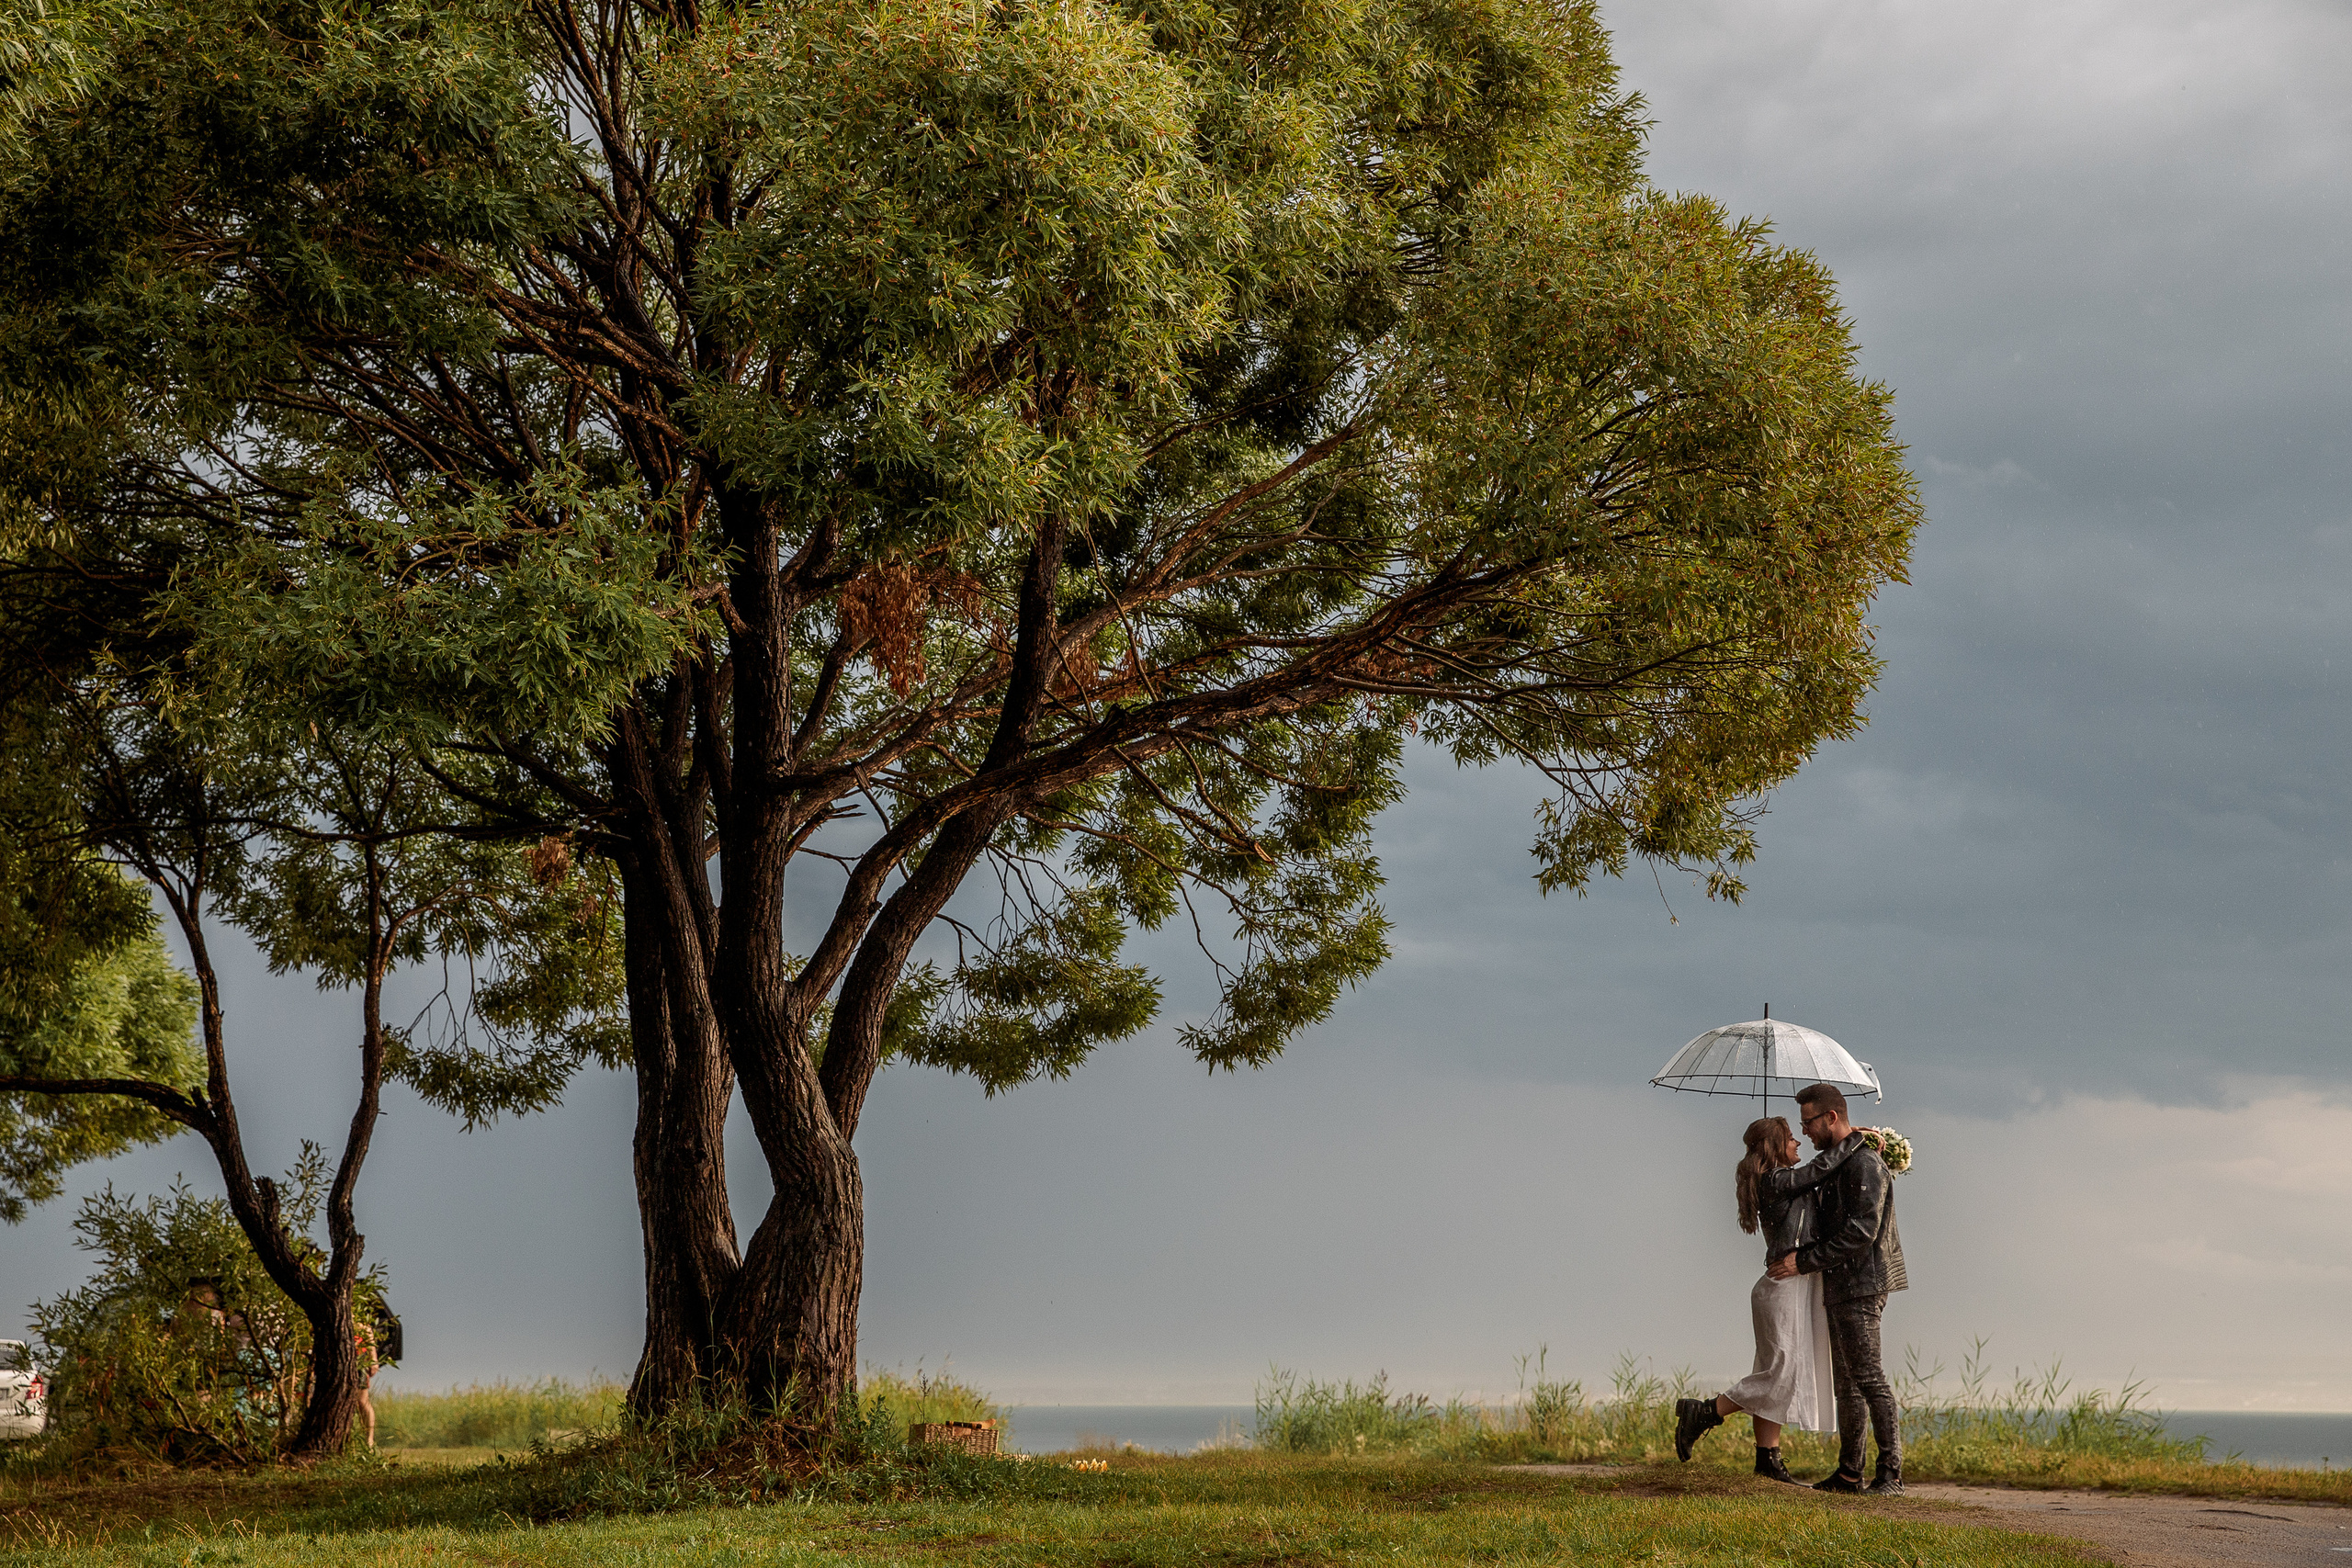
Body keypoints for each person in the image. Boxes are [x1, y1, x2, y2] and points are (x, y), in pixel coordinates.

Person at [1670, 1115, 1856, 1482]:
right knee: (1780, 1373)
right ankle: (1706, 1412)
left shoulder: (1781, 1181)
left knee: (1774, 1371)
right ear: (1774, 1146)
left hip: (1792, 1286)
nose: (1798, 1143)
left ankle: (1767, 1459)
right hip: (1783, 1288)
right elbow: (1816, 1170)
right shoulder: (1773, 1180)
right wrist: (1855, 1141)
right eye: (1790, 1138)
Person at [1765, 1082, 1908, 1495]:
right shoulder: (1837, 1162)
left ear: (1830, 1118)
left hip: (1863, 1284)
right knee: (1847, 1383)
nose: (1804, 1130)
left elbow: (1862, 1231)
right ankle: (1849, 1473)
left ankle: (1891, 1475)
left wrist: (1802, 1261)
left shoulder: (1865, 1165)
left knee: (1868, 1378)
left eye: (1808, 1122)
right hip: (1840, 1284)